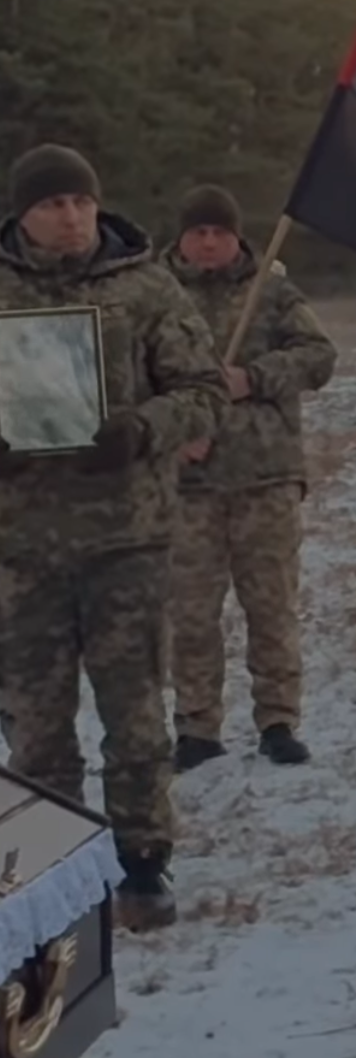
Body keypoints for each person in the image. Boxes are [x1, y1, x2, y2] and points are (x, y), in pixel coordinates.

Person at [0, 144, 226, 931]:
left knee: (133, 715)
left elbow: (204, 392)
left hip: (126, 539)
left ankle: (141, 861)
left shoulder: (146, 287)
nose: (70, 217)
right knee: (37, 724)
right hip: (21, 548)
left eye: (81, 202)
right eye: (51, 204)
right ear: (22, 214)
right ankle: (50, 870)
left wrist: (142, 428)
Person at [164, 185, 338, 770]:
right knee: (190, 613)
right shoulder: (154, 299)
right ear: (182, 238)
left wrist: (254, 378)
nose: (210, 242)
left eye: (220, 232)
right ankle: (196, 727)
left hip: (266, 479)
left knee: (271, 608)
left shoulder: (273, 292)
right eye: (199, 232)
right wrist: (171, 433)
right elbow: (127, 375)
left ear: (237, 236)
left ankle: (278, 720)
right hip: (187, 487)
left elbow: (319, 357)